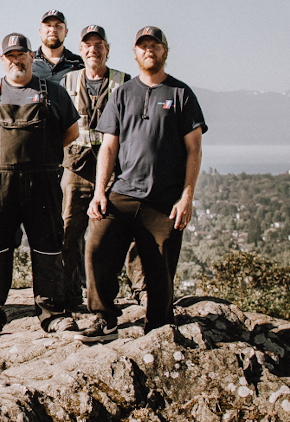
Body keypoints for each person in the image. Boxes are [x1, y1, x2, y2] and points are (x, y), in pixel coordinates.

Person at [76, 27, 207, 344]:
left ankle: (158, 326)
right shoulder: (122, 93)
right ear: (135, 53)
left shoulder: (181, 94)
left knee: (159, 264)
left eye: (155, 45)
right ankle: (104, 318)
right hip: (123, 193)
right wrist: (99, 192)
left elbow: (194, 148)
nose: (149, 50)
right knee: (97, 243)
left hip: (164, 200)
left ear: (165, 52)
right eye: (143, 46)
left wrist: (186, 198)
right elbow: (108, 147)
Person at [0, 33, 81, 344]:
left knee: (48, 247)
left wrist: (40, 157)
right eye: (10, 55)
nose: (17, 60)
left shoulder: (52, 92)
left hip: (42, 183)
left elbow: (70, 132)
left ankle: (53, 314)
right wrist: (0, 161)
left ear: (32, 56)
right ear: (3, 60)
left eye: (22, 54)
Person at [59, 25, 143, 309]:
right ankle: (71, 293)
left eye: (99, 45)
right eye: (87, 45)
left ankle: (139, 288)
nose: (93, 50)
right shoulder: (67, 82)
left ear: (107, 49)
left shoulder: (124, 82)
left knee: (124, 229)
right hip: (75, 168)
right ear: (80, 51)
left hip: (116, 171)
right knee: (69, 231)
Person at [32, 10, 85, 84]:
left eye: (58, 26)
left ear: (66, 32)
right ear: (40, 31)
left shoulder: (79, 63)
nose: (53, 30)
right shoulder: (28, 61)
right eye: (48, 25)